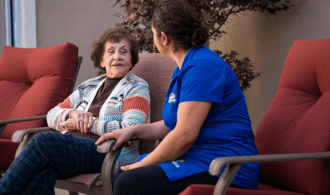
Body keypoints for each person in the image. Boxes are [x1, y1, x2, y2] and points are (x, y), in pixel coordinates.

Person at [95, 0, 260, 194]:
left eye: (153, 33)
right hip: (199, 159)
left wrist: (143, 164)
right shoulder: (185, 68)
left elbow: (184, 135)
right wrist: (131, 130)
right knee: (123, 178)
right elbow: (171, 124)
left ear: (163, 38)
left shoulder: (202, 67)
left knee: (129, 182)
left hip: (225, 167)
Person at [0, 26, 150, 195]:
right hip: (73, 148)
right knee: (43, 173)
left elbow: (132, 126)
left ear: (131, 59)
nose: (117, 56)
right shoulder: (89, 86)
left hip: (108, 152)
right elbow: (52, 114)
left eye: (124, 52)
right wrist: (72, 113)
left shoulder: (136, 87)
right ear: (101, 60)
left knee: (44, 141)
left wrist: (88, 124)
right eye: (111, 52)